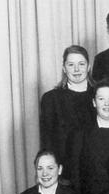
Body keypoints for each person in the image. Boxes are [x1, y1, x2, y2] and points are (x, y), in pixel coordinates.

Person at [39, 45, 96, 182]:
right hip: (66, 175)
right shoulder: (51, 99)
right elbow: (48, 141)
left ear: (88, 67)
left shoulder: (101, 95)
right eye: (71, 65)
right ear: (64, 68)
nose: (76, 69)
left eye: (81, 64)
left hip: (97, 173)